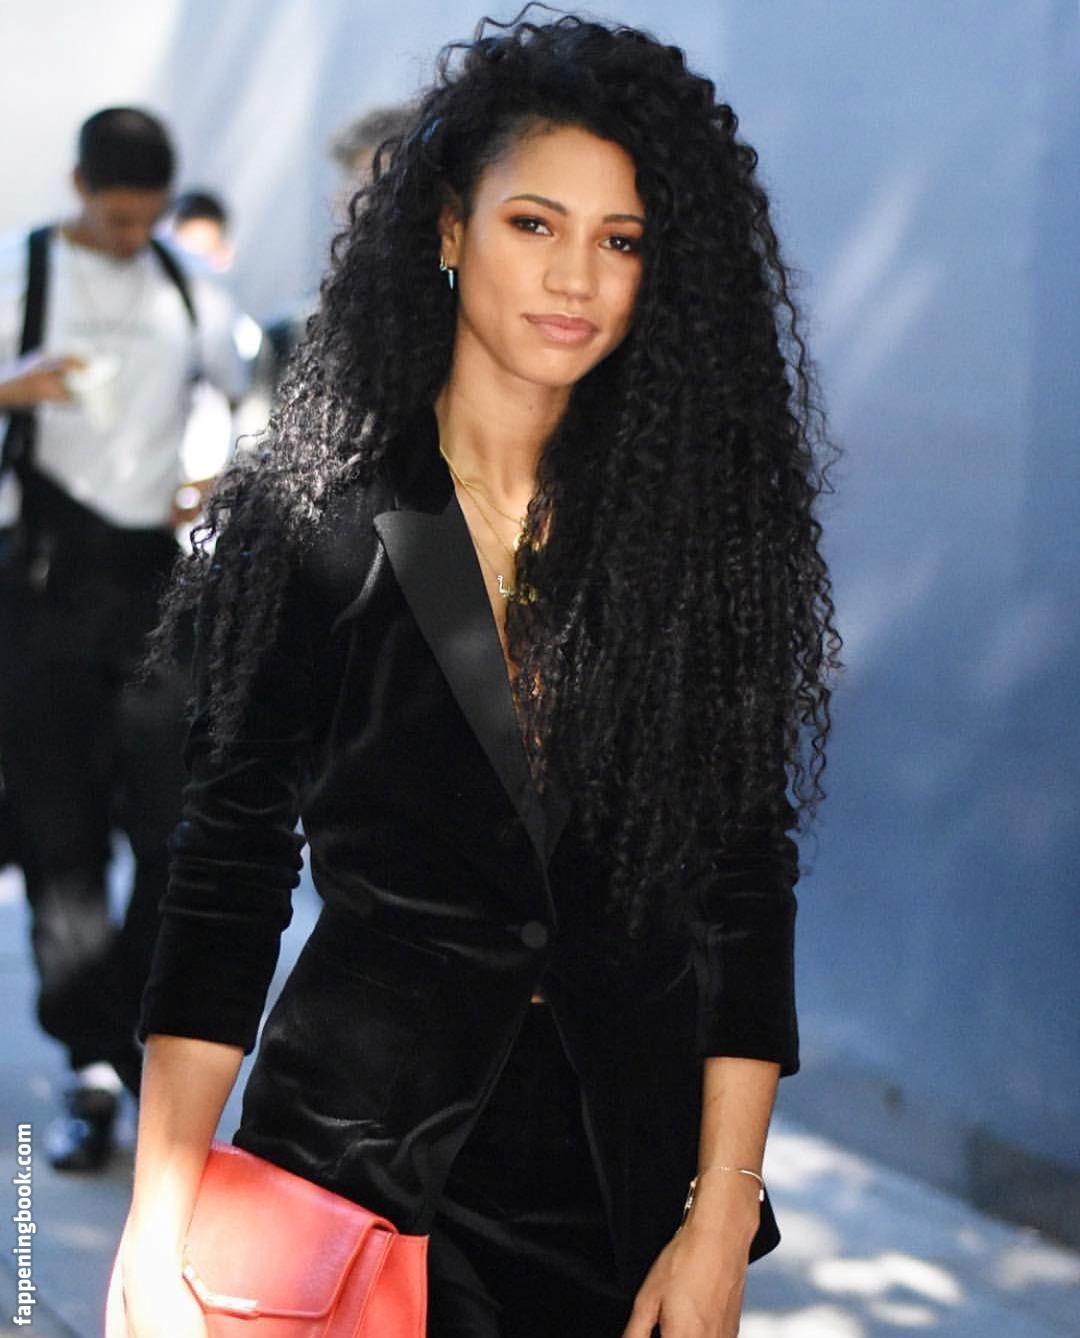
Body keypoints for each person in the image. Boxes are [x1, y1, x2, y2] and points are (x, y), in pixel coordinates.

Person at [114, 14, 839, 1338]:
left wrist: (722, 1214)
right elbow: (227, 871)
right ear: (450, 229)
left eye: (623, 241)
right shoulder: (319, 515)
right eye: (534, 223)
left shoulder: (691, 538)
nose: (576, 277)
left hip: (617, 1198)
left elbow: (742, 879)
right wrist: (157, 1222)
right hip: (349, 1174)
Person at [0, 107, 251, 1171]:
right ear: (78, 188)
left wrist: (221, 479)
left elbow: (252, 397)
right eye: (115, 217)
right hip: (40, 580)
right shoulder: (25, 273)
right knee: (58, 839)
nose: (129, 235)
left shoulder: (189, 286)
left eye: (147, 218)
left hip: (153, 581)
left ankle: (128, 1034)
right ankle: (92, 1062)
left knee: (172, 825)